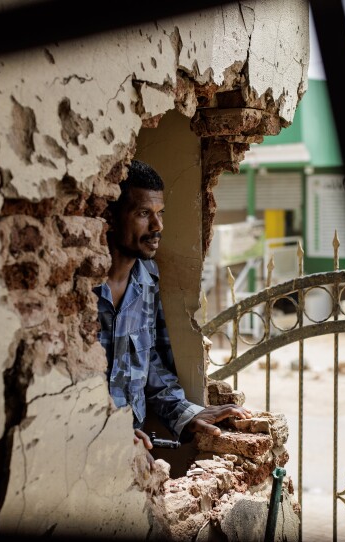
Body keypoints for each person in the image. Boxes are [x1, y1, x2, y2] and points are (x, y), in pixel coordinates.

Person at [94, 159, 250, 462]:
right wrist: (112, 432)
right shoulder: (77, 288)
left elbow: (149, 361)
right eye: (143, 213)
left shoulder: (147, 278)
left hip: (132, 451)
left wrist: (189, 414)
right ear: (110, 217)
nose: (158, 226)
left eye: (160, 213)